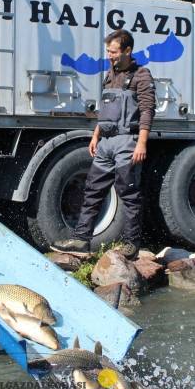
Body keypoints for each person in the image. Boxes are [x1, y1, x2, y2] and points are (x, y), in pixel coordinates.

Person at [53, 30, 156, 259]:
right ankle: (82, 240)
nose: (109, 56)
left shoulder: (141, 75)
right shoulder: (109, 75)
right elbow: (106, 110)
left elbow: (148, 110)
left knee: (128, 194)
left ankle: (131, 245)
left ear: (127, 51)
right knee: (92, 190)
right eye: (108, 51)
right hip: (106, 142)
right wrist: (95, 135)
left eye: (113, 52)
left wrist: (141, 143)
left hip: (127, 142)